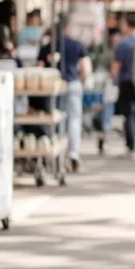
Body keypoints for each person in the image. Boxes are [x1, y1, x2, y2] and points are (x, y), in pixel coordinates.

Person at [39, 18, 91, 173]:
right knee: (74, 120)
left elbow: (40, 68)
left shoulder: (48, 46)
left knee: (56, 120)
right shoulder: (77, 45)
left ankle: (55, 153)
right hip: (74, 83)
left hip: (54, 85)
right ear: (67, 29)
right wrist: (81, 82)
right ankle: (73, 153)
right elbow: (85, 68)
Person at [112, 16, 135, 158]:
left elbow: (116, 64)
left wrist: (114, 79)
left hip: (127, 82)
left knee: (129, 114)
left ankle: (132, 147)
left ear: (128, 25)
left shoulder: (124, 42)